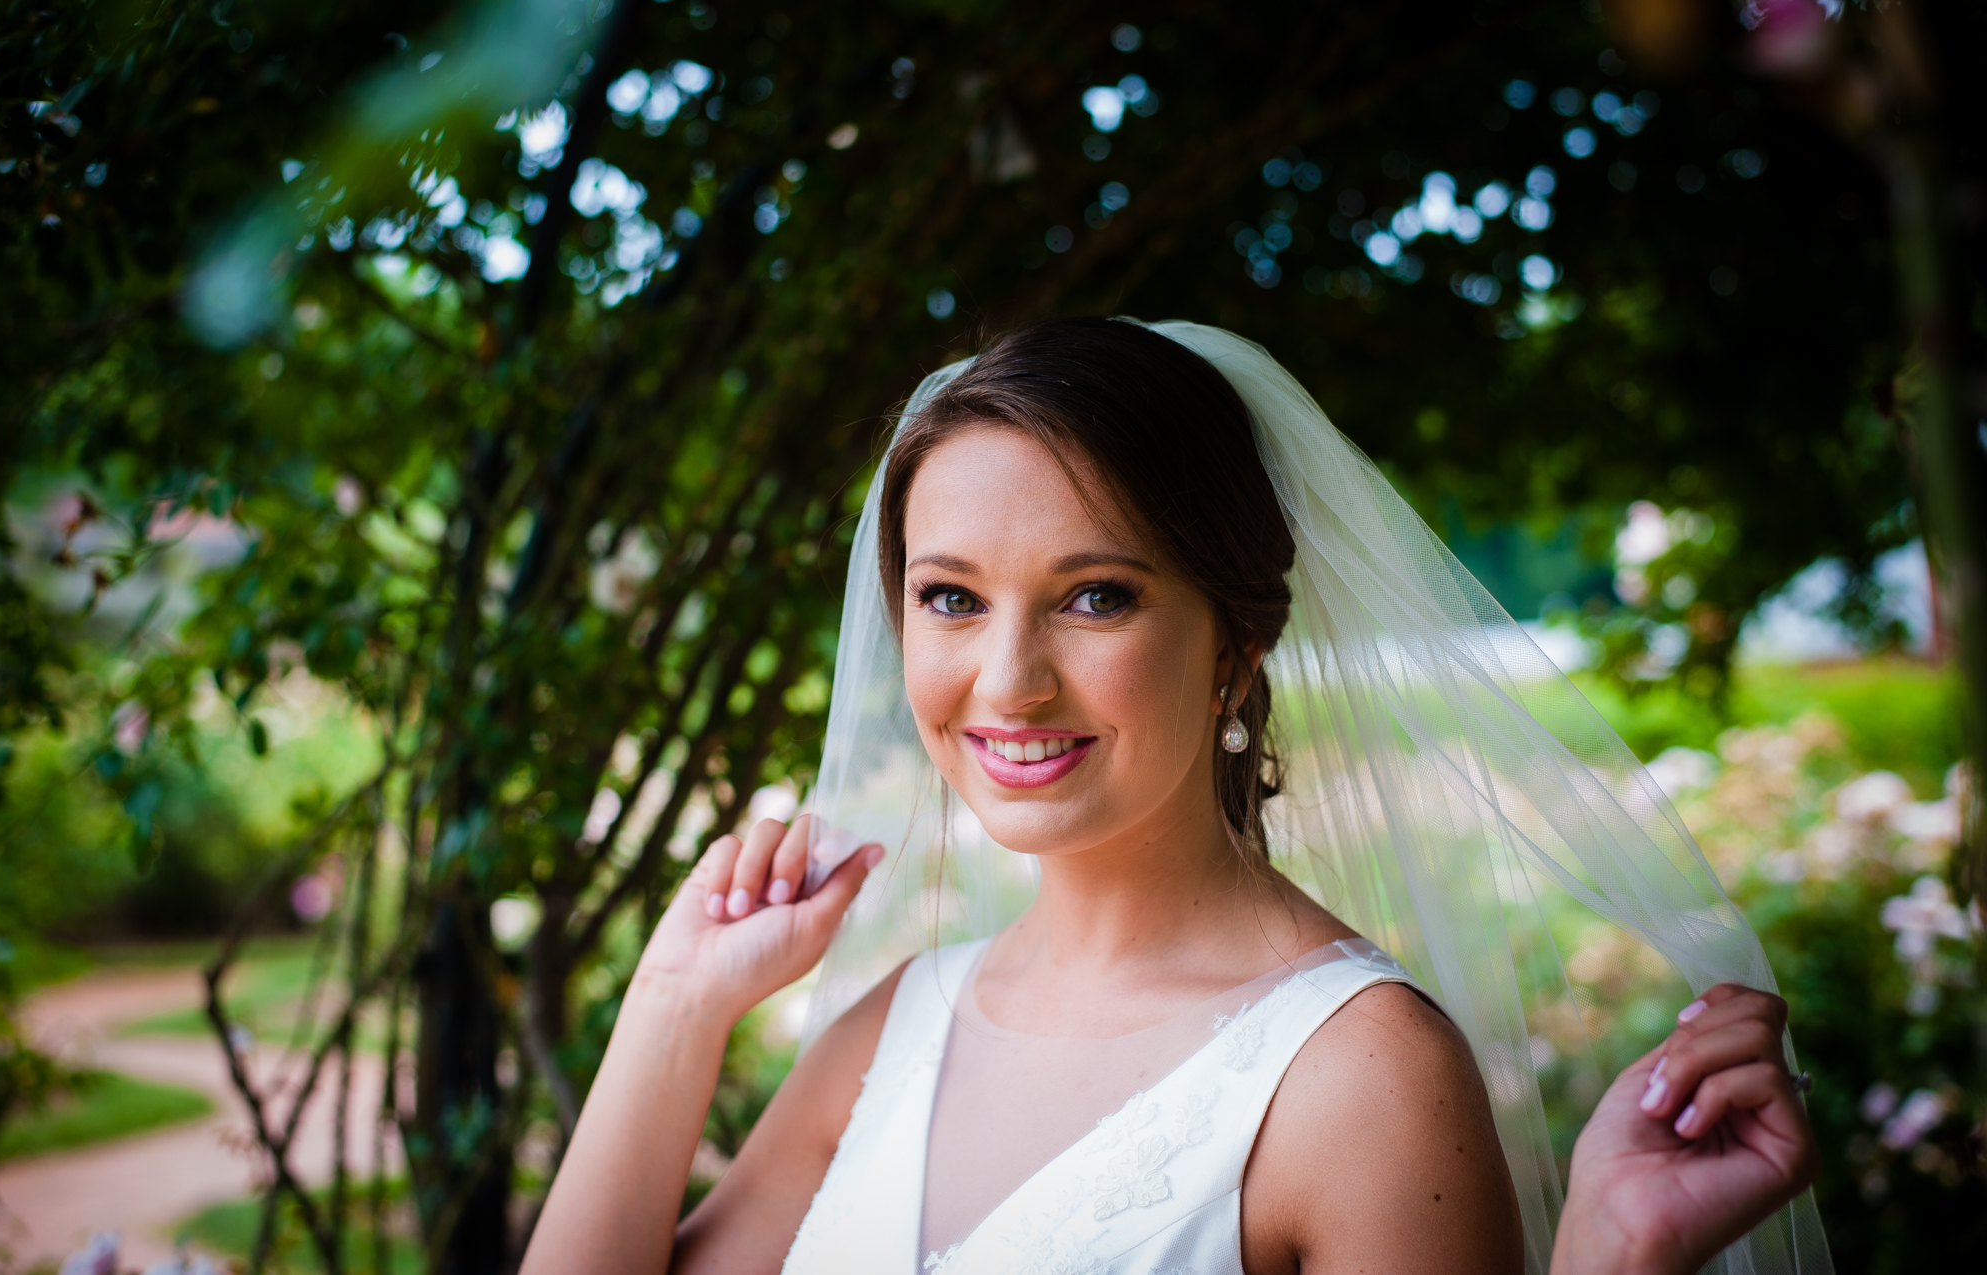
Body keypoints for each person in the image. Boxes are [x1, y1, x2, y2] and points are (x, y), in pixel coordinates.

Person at [522, 319, 1824, 1275]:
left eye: (1097, 596)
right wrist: (677, 1005)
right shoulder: (894, 1027)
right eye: (952, 599)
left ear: (1234, 650)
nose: (1009, 681)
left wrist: (1610, 1263)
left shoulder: (1361, 1078)